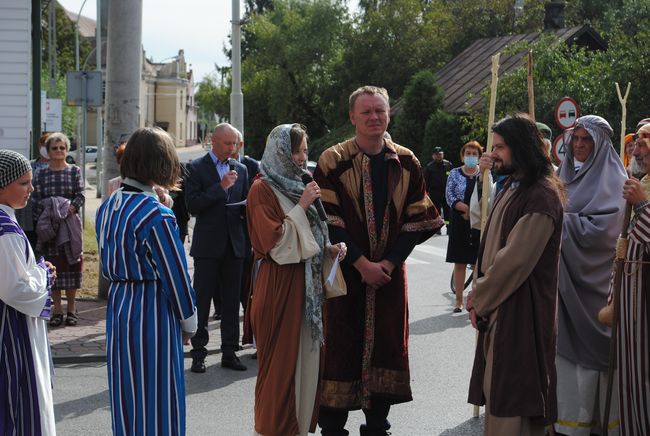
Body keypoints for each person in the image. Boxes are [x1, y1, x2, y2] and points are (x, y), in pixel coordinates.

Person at [313, 85, 442, 436]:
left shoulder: (406, 160)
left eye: (380, 111)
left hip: (388, 277)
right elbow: (327, 220)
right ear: (352, 116)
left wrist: (387, 264)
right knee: (341, 344)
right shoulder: (332, 160)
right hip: (344, 275)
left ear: (389, 114)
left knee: (386, 344)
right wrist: (362, 264)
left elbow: (419, 219)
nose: (374, 117)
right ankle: (333, 427)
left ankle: (377, 425)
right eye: (366, 111)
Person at [466, 114, 565, 435]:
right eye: (493, 147)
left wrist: (478, 297)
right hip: (500, 308)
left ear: (521, 148)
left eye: (501, 147)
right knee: (499, 396)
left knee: (515, 406)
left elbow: (514, 263)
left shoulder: (541, 196)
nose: (493, 153)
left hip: (520, 312)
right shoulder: (513, 186)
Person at [95, 127, 197, 436]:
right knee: (159, 398)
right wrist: (189, 323)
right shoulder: (156, 214)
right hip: (151, 307)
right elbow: (176, 277)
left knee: (127, 395)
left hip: (119, 307)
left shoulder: (107, 206)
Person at [247, 123, 346, 436]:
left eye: (305, 150)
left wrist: (329, 249)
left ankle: (298, 430)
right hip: (280, 288)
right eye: (298, 150)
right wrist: (303, 206)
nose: (304, 157)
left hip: (305, 288)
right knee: (281, 370)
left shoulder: (299, 184)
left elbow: (308, 239)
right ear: (281, 152)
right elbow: (274, 244)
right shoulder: (261, 189)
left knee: (306, 364)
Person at [554, 115, 627, 436]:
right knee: (563, 355)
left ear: (600, 144)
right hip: (563, 286)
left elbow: (605, 233)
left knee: (596, 355)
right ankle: (567, 422)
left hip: (594, 285)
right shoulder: (561, 177)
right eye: (576, 139)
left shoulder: (616, 179)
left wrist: (558, 221)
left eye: (587, 140)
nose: (580, 145)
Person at [0, 149, 57, 436]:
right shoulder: (5, 229)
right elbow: (14, 290)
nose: (31, 189)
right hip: (11, 331)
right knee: (19, 406)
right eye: (23, 183)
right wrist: (44, 274)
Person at [185, 122, 249, 373]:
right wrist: (219, 188)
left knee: (232, 302)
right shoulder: (196, 167)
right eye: (227, 143)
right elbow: (192, 205)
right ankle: (198, 353)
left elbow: (243, 203)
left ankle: (230, 352)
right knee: (202, 301)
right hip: (207, 246)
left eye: (235, 143)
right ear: (213, 140)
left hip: (234, 245)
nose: (232, 148)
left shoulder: (241, 169)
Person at [609, 125, 650, 435]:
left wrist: (643, 205)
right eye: (636, 144)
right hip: (631, 292)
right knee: (631, 373)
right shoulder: (643, 181)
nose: (638, 150)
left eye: (644, 143)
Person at [32, 132, 84, 328]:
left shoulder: (74, 171)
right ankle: (57, 310)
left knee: (71, 266)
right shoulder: (42, 174)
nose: (59, 151)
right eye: (55, 148)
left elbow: (80, 196)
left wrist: (70, 209)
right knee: (53, 268)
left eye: (62, 147)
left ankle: (71, 308)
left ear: (67, 149)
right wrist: (47, 216)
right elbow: (35, 199)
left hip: (70, 227)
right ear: (48, 150)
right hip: (50, 228)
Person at [445, 141, 483, 312]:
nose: (471, 157)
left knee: (477, 263)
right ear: (462, 155)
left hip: (477, 223)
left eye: (475, 154)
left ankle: (474, 300)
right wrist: (464, 208)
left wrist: (475, 213)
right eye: (468, 153)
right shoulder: (454, 173)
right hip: (459, 222)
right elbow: (449, 195)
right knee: (459, 262)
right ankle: (459, 300)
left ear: (479, 157)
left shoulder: (483, 174)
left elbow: (488, 195)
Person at [424, 147, 452, 225]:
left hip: (446, 191)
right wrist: (426, 192)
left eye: (440, 154)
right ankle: (437, 226)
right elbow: (426, 181)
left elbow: (452, 178)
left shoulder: (448, 164)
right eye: (436, 154)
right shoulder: (429, 167)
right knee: (436, 210)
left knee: (447, 210)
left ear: (443, 154)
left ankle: (448, 226)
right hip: (435, 192)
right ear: (433, 156)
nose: (438, 156)